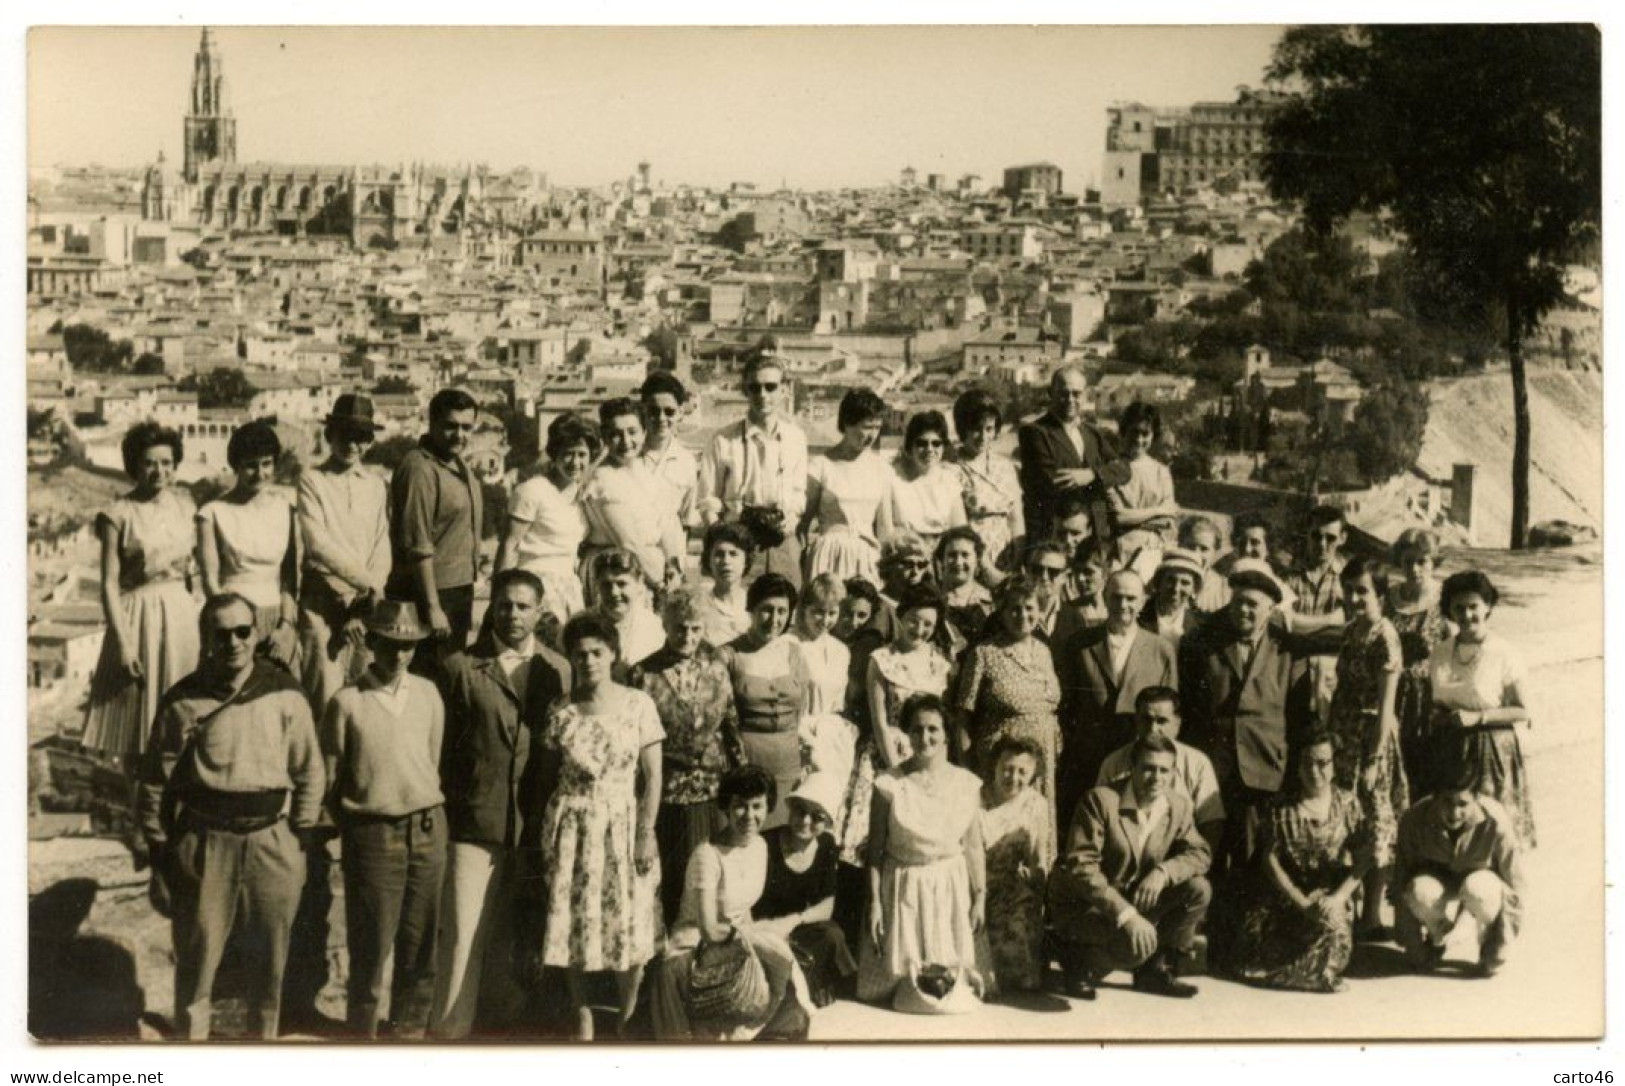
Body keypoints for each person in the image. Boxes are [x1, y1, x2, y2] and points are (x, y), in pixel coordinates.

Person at [137, 593, 325, 1040]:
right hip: (206, 845)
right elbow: (152, 784)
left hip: (272, 844)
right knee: (197, 968)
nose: (234, 642)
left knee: (270, 970)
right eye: (221, 634)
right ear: (206, 639)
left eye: (243, 631)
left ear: (256, 633)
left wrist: (298, 836)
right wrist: (161, 851)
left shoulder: (284, 693)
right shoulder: (182, 700)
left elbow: (310, 770)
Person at [430, 570, 566, 1040]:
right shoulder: (461, 668)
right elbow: (442, 753)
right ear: (493, 608)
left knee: (513, 940)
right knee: (464, 939)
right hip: (474, 824)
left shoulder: (557, 670)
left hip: (533, 828)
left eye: (523, 606)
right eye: (505, 605)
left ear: (539, 610)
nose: (513, 615)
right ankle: (448, 1037)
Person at [529, 612, 664, 1039]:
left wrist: (646, 831)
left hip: (624, 824)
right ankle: (583, 1015)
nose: (588, 661)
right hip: (572, 826)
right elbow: (547, 773)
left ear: (613, 655)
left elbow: (653, 776)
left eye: (597, 652)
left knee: (632, 921)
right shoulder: (561, 710)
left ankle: (625, 1018)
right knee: (575, 922)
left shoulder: (638, 704)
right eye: (579, 653)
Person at [319, 600, 446, 1037]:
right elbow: (331, 782)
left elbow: (430, 760)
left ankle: (407, 1034)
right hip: (374, 835)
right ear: (371, 642)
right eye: (390, 644)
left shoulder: (428, 694)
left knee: (420, 943)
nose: (399, 655)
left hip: (428, 828)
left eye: (409, 646)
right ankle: (363, 1040)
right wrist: (361, 826)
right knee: (372, 945)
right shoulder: (347, 703)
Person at [1178, 559, 1342, 873]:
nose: (1243, 611)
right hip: (1214, 766)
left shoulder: (1289, 651)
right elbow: (1190, 707)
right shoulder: (1203, 646)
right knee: (1208, 851)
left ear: (1270, 610)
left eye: (1252, 605)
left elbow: (1298, 718)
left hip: (1265, 767)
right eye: (1238, 602)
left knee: (1255, 857)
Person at [651, 766, 814, 1040]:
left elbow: (743, 910)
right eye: (740, 806)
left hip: (734, 942)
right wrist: (756, 941)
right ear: (726, 807)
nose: (749, 816)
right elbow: (709, 929)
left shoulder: (760, 846)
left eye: (757, 806)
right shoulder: (708, 855)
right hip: (693, 951)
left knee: (790, 995)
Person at [1046, 734, 1211, 1001]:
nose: (1156, 777)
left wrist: (1164, 872)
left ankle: (1153, 972)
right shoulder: (1101, 800)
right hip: (1089, 904)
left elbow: (1200, 852)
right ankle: (1079, 962)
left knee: (1198, 889)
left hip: (1133, 897)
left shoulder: (1177, 805)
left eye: (1163, 770)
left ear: (1172, 773)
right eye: (1148, 768)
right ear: (1131, 767)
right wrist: (1127, 915)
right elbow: (1081, 866)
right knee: (1134, 947)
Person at [1209, 728, 1373, 993]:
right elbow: (1269, 861)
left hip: (1328, 893)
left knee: (1331, 935)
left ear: (1333, 765)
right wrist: (1300, 901)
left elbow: (1364, 858)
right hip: (1284, 893)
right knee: (1252, 950)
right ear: (1297, 766)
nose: (1315, 771)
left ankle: (1316, 972)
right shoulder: (1279, 806)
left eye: (1322, 763)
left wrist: (1339, 897)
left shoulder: (1347, 803)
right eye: (1307, 763)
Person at [81, 423, 199, 783]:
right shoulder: (118, 513)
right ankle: (145, 822)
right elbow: (108, 583)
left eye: (166, 463)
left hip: (180, 614)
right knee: (139, 728)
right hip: (138, 617)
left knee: (184, 720)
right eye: (149, 463)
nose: (159, 471)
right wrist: (123, 641)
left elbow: (192, 572)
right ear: (134, 464)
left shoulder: (186, 506)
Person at [857, 694, 991, 1004]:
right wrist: (875, 903)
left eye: (933, 729)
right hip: (903, 891)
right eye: (916, 729)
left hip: (950, 892)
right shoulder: (888, 785)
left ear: (946, 734)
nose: (924, 737)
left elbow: (973, 847)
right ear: (906, 733)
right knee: (899, 993)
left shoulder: (966, 784)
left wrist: (980, 896)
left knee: (952, 991)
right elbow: (875, 851)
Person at [634, 588, 743, 926]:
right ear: (666, 625)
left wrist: (740, 780)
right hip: (667, 791)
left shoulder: (717, 668)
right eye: (680, 628)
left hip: (713, 791)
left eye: (695, 628)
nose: (688, 636)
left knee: (710, 879)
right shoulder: (644, 674)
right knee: (674, 879)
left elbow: (731, 726)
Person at [1053, 570, 1177, 827]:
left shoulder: (1161, 649)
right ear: (1105, 598)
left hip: (1138, 761)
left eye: (1131, 598)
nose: (1123, 605)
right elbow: (1065, 705)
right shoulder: (1081, 644)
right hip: (1088, 758)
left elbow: (1170, 715)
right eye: (1117, 597)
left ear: (1142, 601)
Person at [953, 576, 1062, 860]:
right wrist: (968, 771)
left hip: (1041, 764)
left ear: (1039, 612)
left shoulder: (1044, 652)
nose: (1022, 616)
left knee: (1034, 841)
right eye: (1013, 609)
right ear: (1001, 613)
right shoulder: (984, 654)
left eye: (1029, 608)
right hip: (999, 764)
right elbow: (963, 715)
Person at [295, 394, 390, 717]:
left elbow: (381, 545)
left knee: (365, 700)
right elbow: (318, 544)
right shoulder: (312, 480)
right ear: (329, 435)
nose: (353, 445)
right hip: (323, 607)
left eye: (361, 437)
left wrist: (367, 600)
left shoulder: (376, 485)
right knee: (326, 700)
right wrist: (368, 586)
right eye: (345, 435)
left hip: (365, 612)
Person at [1329, 556, 1409, 937]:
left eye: (1362, 591)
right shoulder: (1350, 631)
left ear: (1380, 593)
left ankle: (1373, 915)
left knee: (1376, 820)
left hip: (1371, 738)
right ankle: (1350, 907)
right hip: (1344, 737)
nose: (1355, 598)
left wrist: (1374, 759)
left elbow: (1386, 705)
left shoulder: (1384, 635)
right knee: (1349, 821)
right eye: (1349, 591)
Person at [1428, 570, 1535, 847]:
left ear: (1487, 606)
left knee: (1490, 828)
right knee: (1452, 827)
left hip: (1490, 750)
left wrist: (1478, 717)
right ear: (1449, 611)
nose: (1467, 615)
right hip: (1449, 747)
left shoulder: (1504, 652)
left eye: (1473, 606)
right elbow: (1439, 699)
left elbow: (1522, 710)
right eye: (1458, 608)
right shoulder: (1440, 651)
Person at [1392, 773, 1525, 976]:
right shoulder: (1413, 820)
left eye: (1463, 804)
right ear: (1434, 797)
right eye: (1446, 802)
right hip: (1436, 882)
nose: (1454, 812)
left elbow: (1514, 883)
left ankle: (1487, 938)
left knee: (1479, 894)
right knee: (1420, 892)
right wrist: (1411, 942)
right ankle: (1439, 935)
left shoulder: (1496, 820)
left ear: (1476, 799)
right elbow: (1401, 880)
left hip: (1479, 883)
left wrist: (1502, 938)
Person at [388, 388, 483, 671]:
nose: (460, 435)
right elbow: (417, 543)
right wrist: (432, 607)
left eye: (467, 427)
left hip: (458, 589)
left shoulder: (458, 463)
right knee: (430, 678)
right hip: (428, 594)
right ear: (432, 423)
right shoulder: (419, 468)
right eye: (451, 426)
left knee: (451, 674)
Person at [196, 420, 300, 670]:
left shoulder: (287, 509)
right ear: (236, 466)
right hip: (232, 626)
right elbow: (210, 581)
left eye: (266, 464)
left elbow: (290, 579)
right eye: (251, 466)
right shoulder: (212, 512)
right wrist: (235, 628)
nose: (260, 473)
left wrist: (286, 627)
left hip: (277, 621)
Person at [697, 355, 808, 586]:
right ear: (745, 391)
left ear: (784, 389)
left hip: (782, 543)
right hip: (739, 542)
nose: (763, 395)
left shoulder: (796, 439)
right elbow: (708, 499)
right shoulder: (723, 440)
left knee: (784, 611)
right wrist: (723, 539)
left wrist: (791, 519)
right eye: (755, 387)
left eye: (770, 387)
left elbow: (799, 493)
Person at [755, 773, 857, 1008]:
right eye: (801, 811)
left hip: (797, 930)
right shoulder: (765, 844)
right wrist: (771, 929)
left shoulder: (827, 845)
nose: (806, 821)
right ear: (791, 810)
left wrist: (793, 921)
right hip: (763, 930)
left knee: (832, 935)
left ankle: (816, 982)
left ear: (827, 822)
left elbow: (827, 906)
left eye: (817, 817)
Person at [494, 412, 598, 634]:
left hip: (569, 588)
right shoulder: (532, 490)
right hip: (533, 587)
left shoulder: (582, 495)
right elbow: (509, 545)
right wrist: (501, 598)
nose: (576, 462)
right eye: (568, 454)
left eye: (582, 454)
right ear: (554, 454)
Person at [721, 573, 810, 829]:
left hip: (788, 764)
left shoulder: (795, 653)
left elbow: (800, 710)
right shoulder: (729, 655)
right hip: (746, 762)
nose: (774, 619)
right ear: (751, 609)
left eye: (782, 611)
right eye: (767, 610)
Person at [1096, 686, 1225, 851]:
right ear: (1136, 720)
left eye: (1161, 721)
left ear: (1177, 724)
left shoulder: (1197, 763)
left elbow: (1211, 821)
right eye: (1146, 720)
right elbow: (1098, 817)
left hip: (1179, 860)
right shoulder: (1113, 763)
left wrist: (1196, 863)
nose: (1153, 729)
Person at [580, 397, 686, 596]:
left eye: (632, 432)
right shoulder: (604, 481)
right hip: (618, 575)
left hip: (652, 571)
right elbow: (628, 544)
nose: (626, 441)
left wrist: (673, 565)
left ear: (645, 432)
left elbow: (667, 522)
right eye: (616, 434)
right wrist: (660, 584)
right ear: (604, 436)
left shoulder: (645, 473)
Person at [1016, 366, 1130, 548]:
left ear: (1085, 396)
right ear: (1050, 393)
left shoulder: (1092, 433)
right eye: (1063, 393)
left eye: (1076, 394)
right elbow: (1052, 481)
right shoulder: (1035, 432)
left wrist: (1092, 475)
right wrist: (1104, 480)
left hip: (1097, 531)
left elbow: (1124, 470)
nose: (1070, 400)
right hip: (1056, 532)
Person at [979, 736, 1053, 992]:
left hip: (1013, 889)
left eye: (1023, 771)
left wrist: (1036, 888)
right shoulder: (976, 797)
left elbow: (1038, 858)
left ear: (1033, 774)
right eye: (1007, 768)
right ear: (995, 766)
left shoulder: (1037, 804)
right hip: (975, 883)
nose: (1014, 777)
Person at [799, 388, 894, 589]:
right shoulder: (821, 465)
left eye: (877, 427)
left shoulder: (882, 469)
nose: (872, 435)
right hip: (828, 556)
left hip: (867, 557)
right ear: (847, 424)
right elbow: (803, 524)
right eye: (866, 427)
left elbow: (885, 528)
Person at [1386, 528, 1452, 796]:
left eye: (1422, 561)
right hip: (1391, 693)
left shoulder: (1445, 600)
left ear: (1433, 562)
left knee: (1426, 768)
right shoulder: (1389, 600)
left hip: (1428, 697)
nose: (1414, 568)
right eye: (1407, 561)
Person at [1282, 505, 1349, 727]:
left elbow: (1347, 631)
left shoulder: (1348, 578)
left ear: (1342, 538)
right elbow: (1285, 624)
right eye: (1316, 536)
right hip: (1292, 671)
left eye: (1330, 538)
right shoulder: (1289, 575)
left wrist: (1302, 629)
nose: (1321, 544)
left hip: (1334, 676)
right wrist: (1332, 620)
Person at [952, 388, 1024, 585]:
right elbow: (960, 526)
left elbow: (1016, 518)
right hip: (972, 561)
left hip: (1008, 558)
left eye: (989, 429)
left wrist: (1018, 561)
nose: (983, 437)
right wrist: (987, 569)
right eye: (976, 428)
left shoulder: (1006, 466)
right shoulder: (951, 468)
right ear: (962, 428)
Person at [1108, 402, 1179, 585]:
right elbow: (1118, 517)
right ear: (1124, 432)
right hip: (1120, 552)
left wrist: (1134, 517)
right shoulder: (1112, 469)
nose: (1139, 440)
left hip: (1154, 550)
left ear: (1153, 435)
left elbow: (1169, 519)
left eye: (1145, 434)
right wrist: (1157, 511)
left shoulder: (1161, 472)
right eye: (1134, 433)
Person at [887, 410, 968, 551]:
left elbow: (959, 528)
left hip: (944, 556)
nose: (929, 449)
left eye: (936, 443)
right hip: (906, 555)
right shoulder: (892, 478)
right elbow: (887, 531)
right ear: (910, 446)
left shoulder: (949, 479)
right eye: (922, 443)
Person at [638, 370, 700, 535]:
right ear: (643, 411)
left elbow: (686, 519)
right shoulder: (628, 456)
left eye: (669, 412)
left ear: (680, 413)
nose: (661, 418)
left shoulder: (687, 462)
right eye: (653, 411)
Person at [589, 548, 665, 672]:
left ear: (639, 583)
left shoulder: (655, 628)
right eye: (606, 585)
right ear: (597, 585)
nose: (614, 592)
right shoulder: (581, 624)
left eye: (621, 584)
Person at [793, 573, 852, 719]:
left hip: (830, 730)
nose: (826, 621)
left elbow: (838, 704)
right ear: (804, 609)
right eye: (818, 612)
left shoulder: (841, 651)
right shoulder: (790, 644)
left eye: (832, 613)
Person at [694, 521, 755, 649]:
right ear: (709, 560)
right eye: (719, 554)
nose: (726, 561)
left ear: (745, 561)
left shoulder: (755, 605)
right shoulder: (697, 604)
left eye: (733, 554)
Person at [936, 527, 993, 647]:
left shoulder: (990, 601)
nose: (958, 562)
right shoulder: (932, 599)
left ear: (977, 561)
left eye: (965, 555)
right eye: (952, 555)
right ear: (942, 561)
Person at [1139, 546, 1206, 647]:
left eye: (1185, 583)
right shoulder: (1139, 616)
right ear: (1159, 581)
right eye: (1170, 580)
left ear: (1194, 588)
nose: (1176, 588)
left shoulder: (1200, 625)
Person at [1048, 538, 1108, 648]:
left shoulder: (1115, 610)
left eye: (1088, 572)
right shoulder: (1066, 612)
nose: (1080, 578)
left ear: (1105, 573)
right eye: (1077, 571)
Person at [1179, 515, 1232, 615]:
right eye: (1190, 546)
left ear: (1215, 553)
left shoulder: (1224, 590)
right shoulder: (1165, 579)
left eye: (1204, 549)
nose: (1196, 554)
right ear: (1180, 546)